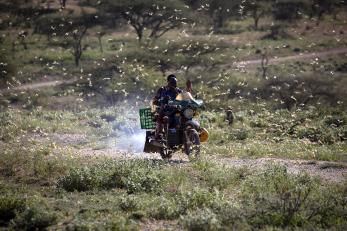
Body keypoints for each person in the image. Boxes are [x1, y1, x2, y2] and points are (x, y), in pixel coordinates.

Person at [152, 74, 183, 140]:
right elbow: (155, 99)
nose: (173, 84)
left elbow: (183, 99)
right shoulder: (162, 90)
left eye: (175, 83)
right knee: (162, 116)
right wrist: (158, 101)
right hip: (165, 110)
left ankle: (189, 134)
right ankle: (160, 133)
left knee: (185, 117)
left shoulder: (179, 91)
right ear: (168, 82)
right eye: (172, 82)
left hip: (177, 110)